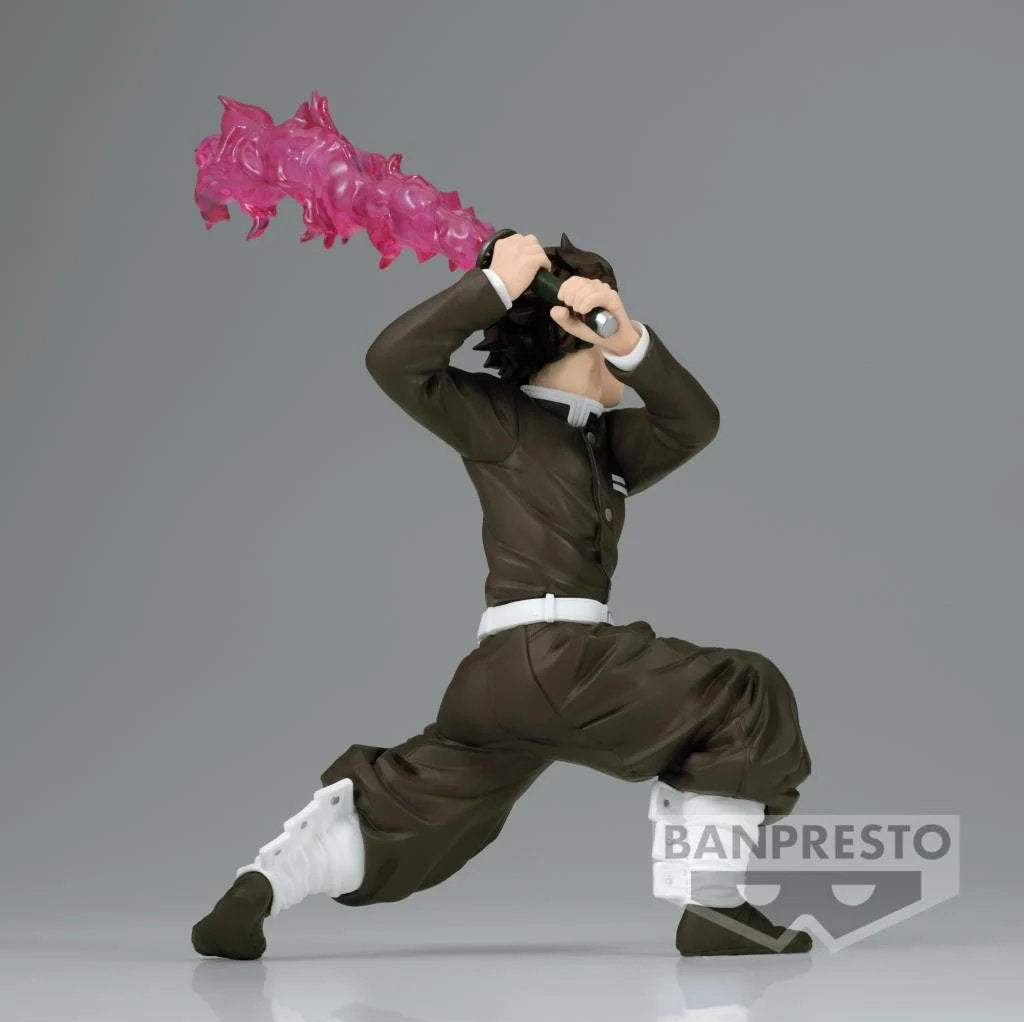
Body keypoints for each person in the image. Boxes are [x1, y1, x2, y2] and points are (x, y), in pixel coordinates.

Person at [191, 232, 812, 960]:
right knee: (744, 692)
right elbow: (393, 361)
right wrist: (492, 288)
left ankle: (260, 887)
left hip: (497, 682)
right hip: (559, 657)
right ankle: (715, 908)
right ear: (572, 333)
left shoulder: (607, 444)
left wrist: (630, 341)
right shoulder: (500, 420)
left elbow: (695, 422)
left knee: (418, 812)